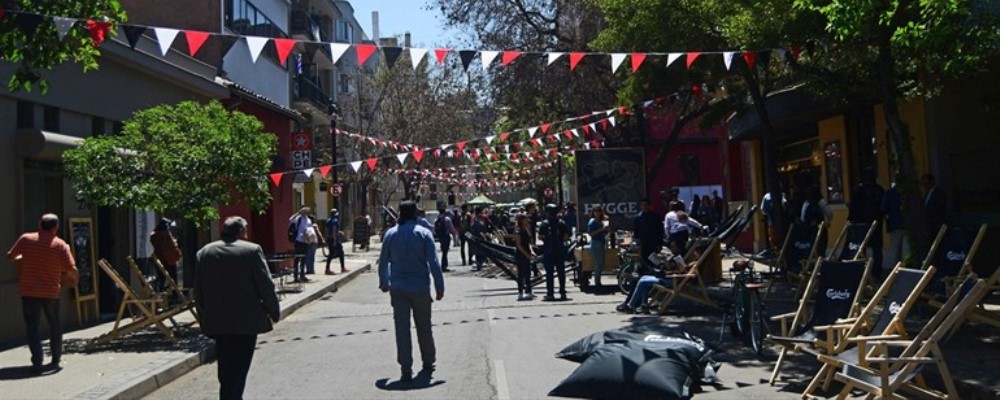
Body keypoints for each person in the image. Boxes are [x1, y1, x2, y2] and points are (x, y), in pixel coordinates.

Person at [195, 216, 280, 400]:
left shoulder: (205, 252)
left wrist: (204, 318)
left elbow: (198, 291)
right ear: (241, 232)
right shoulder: (251, 250)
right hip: (246, 322)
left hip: (217, 321)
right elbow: (266, 285)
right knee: (239, 368)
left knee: (225, 368)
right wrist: (274, 311)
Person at [378, 200, 445, 383]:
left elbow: (383, 261)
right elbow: (433, 262)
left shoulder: (390, 234)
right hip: (420, 287)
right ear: (415, 214)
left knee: (402, 329)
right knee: (424, 326)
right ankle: (428, 361)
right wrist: (439, 286)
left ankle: (405, 368)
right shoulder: (424, 234)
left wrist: (384, 282)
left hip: (398, 288)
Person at [6, 213, 77, 373]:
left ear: (39, 224)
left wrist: (23, 257)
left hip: (29, 290)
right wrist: (73, 280)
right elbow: (71, 269)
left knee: (32, 326)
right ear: (55, 228)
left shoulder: (25, 239)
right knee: (55, 324)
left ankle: (37, 361)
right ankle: (55, 359)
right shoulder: (60, 245)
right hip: (51, 292)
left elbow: (10, 256)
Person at [617, 252, 690, 314]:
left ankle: (631, 305)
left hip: (670, 280)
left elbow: (677, 269)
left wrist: (668, 262)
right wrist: (663, 260)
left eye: (673, 246)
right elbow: (669, 268)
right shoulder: (674, 257)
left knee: (643, 281)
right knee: (643, 278)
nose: (672, 248)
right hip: (666, 278)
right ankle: (644, 305)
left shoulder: (679, 259)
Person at [848, 168, 885, 276]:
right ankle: (877, 271)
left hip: (861, 223)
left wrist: (851, 220)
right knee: (877, 249)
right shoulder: (879, 190)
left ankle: (861, 271)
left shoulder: (859, 190)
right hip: (876, 223)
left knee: (860, 247)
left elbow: (853, 207)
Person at [538, 204, 571, 301]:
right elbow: (566, 237)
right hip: (559, 250)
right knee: (561, 272)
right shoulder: (562, 223)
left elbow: (540, 237)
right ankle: (562, 292)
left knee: (549, 273)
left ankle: (550, 293)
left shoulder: (544, 224)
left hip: (548, 250)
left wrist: (547, 238)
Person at [882, 171, 910, 271]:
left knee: (895, 250)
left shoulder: (889, 193)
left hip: (894, 224)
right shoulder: (908, 193)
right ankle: (908, 269)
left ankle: (896, 271)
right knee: (907, 250)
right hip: (907, 224)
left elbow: (884, 209)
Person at [150, 218, 182, 294]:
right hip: (169, 258)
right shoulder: (165, 234)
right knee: (172, 278)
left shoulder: (154, 235)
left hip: (160, 258)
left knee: (161, 277)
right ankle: (174, 294)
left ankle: (161, 291)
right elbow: (171, 246)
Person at [634, 199, 665, 269]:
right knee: (643, 261)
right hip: (643, 243)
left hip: (653, 243)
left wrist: (660, 244)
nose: (644, 207)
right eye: (642, 205)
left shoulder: (655, 216)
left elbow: (660, 231)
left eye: (645, 205)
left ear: (649, 206)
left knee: (654, 260)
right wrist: (638, 244)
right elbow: (636, 232)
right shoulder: (638, 218)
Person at [512, 214, 536, 300]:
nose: (527, 221)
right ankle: (520, 292)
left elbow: (530, 242)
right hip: (520, 254)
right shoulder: (517, 230)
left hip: (527, 252)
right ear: (521, 221)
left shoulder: (526, 229)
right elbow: (518, 245)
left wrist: (532, 252)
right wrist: (526, 254)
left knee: (528, 273)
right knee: (521, 274)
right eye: (525, 220)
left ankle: (528, 291)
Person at [586, 206, 611, 287]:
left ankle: (598, 281)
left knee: (601, 263)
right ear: (593, 212)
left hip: (601, 242)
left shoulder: (601, 221)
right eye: (596, 211)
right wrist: (601, 229)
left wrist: (606, 230)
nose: (598, 212)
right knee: (598, 263)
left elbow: (605, 232)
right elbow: (590, 233)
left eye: (599, 211)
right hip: (595, 243)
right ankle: (597, 282)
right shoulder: (592, 221)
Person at [288, 207, 313, 283]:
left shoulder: (308, 220)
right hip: (298, 241)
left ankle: (302, 275)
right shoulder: (298, 218)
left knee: (304, 259)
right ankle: (296, 276)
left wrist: (310, 238)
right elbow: (290, 220)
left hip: (306, 241)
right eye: (305, 211)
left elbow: (310, 229)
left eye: (307, 211)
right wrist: (298, 213)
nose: (306, 212)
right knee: (297, 259)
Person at [434, 207, 460, 272]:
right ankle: (444, 266)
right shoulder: (447, 219)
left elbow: (435, 229)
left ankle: (443, 265)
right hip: (446, 236)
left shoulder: (436, 220)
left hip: (440, 237)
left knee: (444, 251)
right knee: (445, 252)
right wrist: (455, 236)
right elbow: (451, 229)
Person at [324, 209, 348, 275]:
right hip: (335, 240)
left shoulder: (328, 220)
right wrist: (335, 241)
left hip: (329, 239)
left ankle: (327, 268)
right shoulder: (335, 221)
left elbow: (327, 231)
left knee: (331, 254)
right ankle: (342, 268)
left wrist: (326, 240)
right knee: (341, 253)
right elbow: (334, 230)